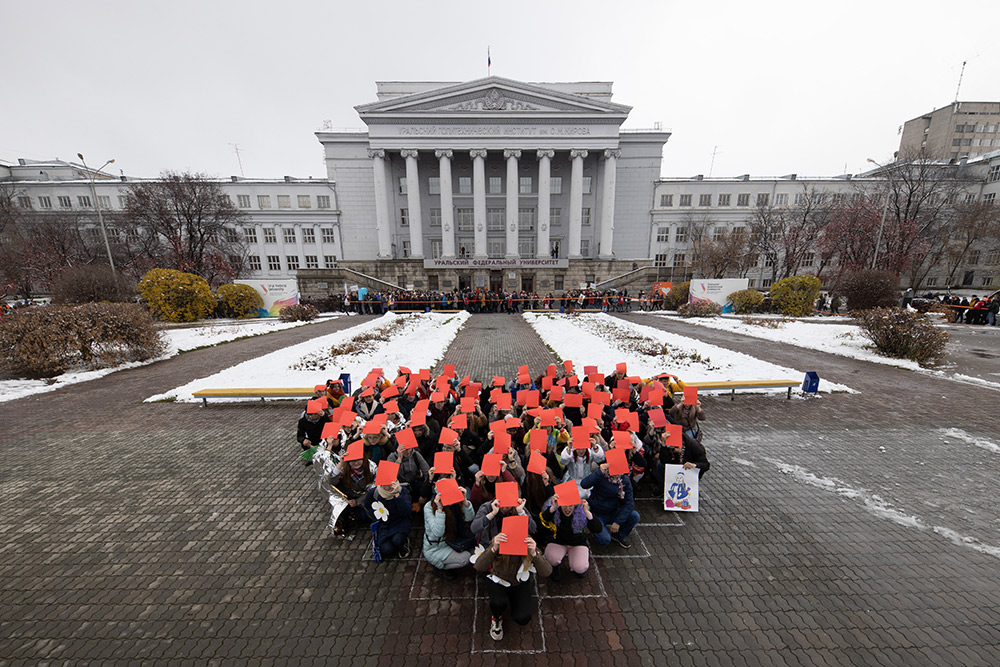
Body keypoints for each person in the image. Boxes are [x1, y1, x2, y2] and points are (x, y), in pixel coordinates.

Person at [473, 532, 552, 641]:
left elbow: (546, 572)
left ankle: (512, 602)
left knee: (522, 618)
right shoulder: (500, 543)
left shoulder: (528, 544)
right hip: (498, 580)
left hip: (519, 583)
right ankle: (496, 617)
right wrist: (493, 548)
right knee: (498, 602)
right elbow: (479, 566)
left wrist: (534, 554)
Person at [541, 496, 603, 579]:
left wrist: (587, 512)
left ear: (575, 505)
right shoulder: (556, 511)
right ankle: (554, 567)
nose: (567, 509)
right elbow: (544, 519)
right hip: (558, 541)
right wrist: (553, 507)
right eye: (564, 506)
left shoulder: (581, 513)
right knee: (550, 558)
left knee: (580, 567)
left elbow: (598, 529)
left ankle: (579, 569)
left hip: (577, 543)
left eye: (570, 506)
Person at [581, 462, 640, 548]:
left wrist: (618, 522)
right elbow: (584, 484)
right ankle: (592, 526)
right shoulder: (601, 475)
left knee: (635, 516)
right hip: (597, 513)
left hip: (613, 511)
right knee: (605, 540)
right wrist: (599, 472)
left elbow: (629, 503)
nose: (617, 475)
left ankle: (618, 535)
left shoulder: (625, 480)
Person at [422, 486, 476, 579]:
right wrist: (440, 509)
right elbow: (437, 532)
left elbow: (469, 518)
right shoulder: (429, 507)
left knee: (473, 551)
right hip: (436, 548)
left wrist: (465, 501)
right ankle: (441, 568)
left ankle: (450, 560)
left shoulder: (455, 504)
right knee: (466, 558)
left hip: (452, 539)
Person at [363, 478, 413, 560]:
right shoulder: (375, 492)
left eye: (392, 483)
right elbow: (368, 505)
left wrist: (397, 495)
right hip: (383, 524)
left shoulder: (402, 491)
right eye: (386, 484)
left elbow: (406, 512)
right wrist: (376, 517)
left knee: (398, 540)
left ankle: (404, 544)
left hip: (400, 522)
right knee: (387, 550)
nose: (389, 486)